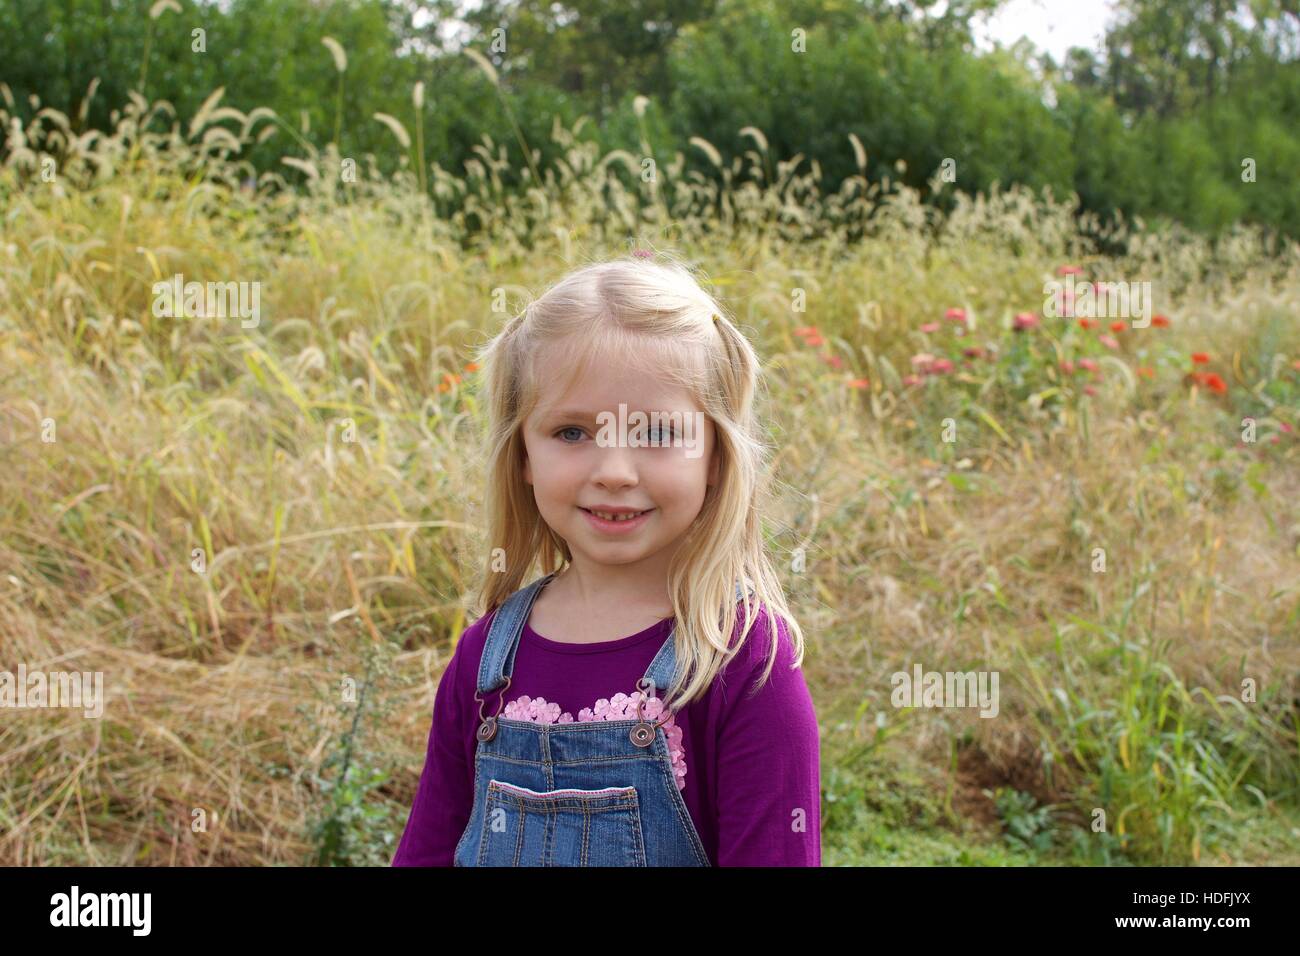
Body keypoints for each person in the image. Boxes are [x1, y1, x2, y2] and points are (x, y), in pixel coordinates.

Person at [391, 253, 820, 866]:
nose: (615, 472)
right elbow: (426, 852)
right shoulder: (483, 662)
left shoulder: (743, 664)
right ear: (522, 458)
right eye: (572, 432)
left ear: (716, 458)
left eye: (657, 433)